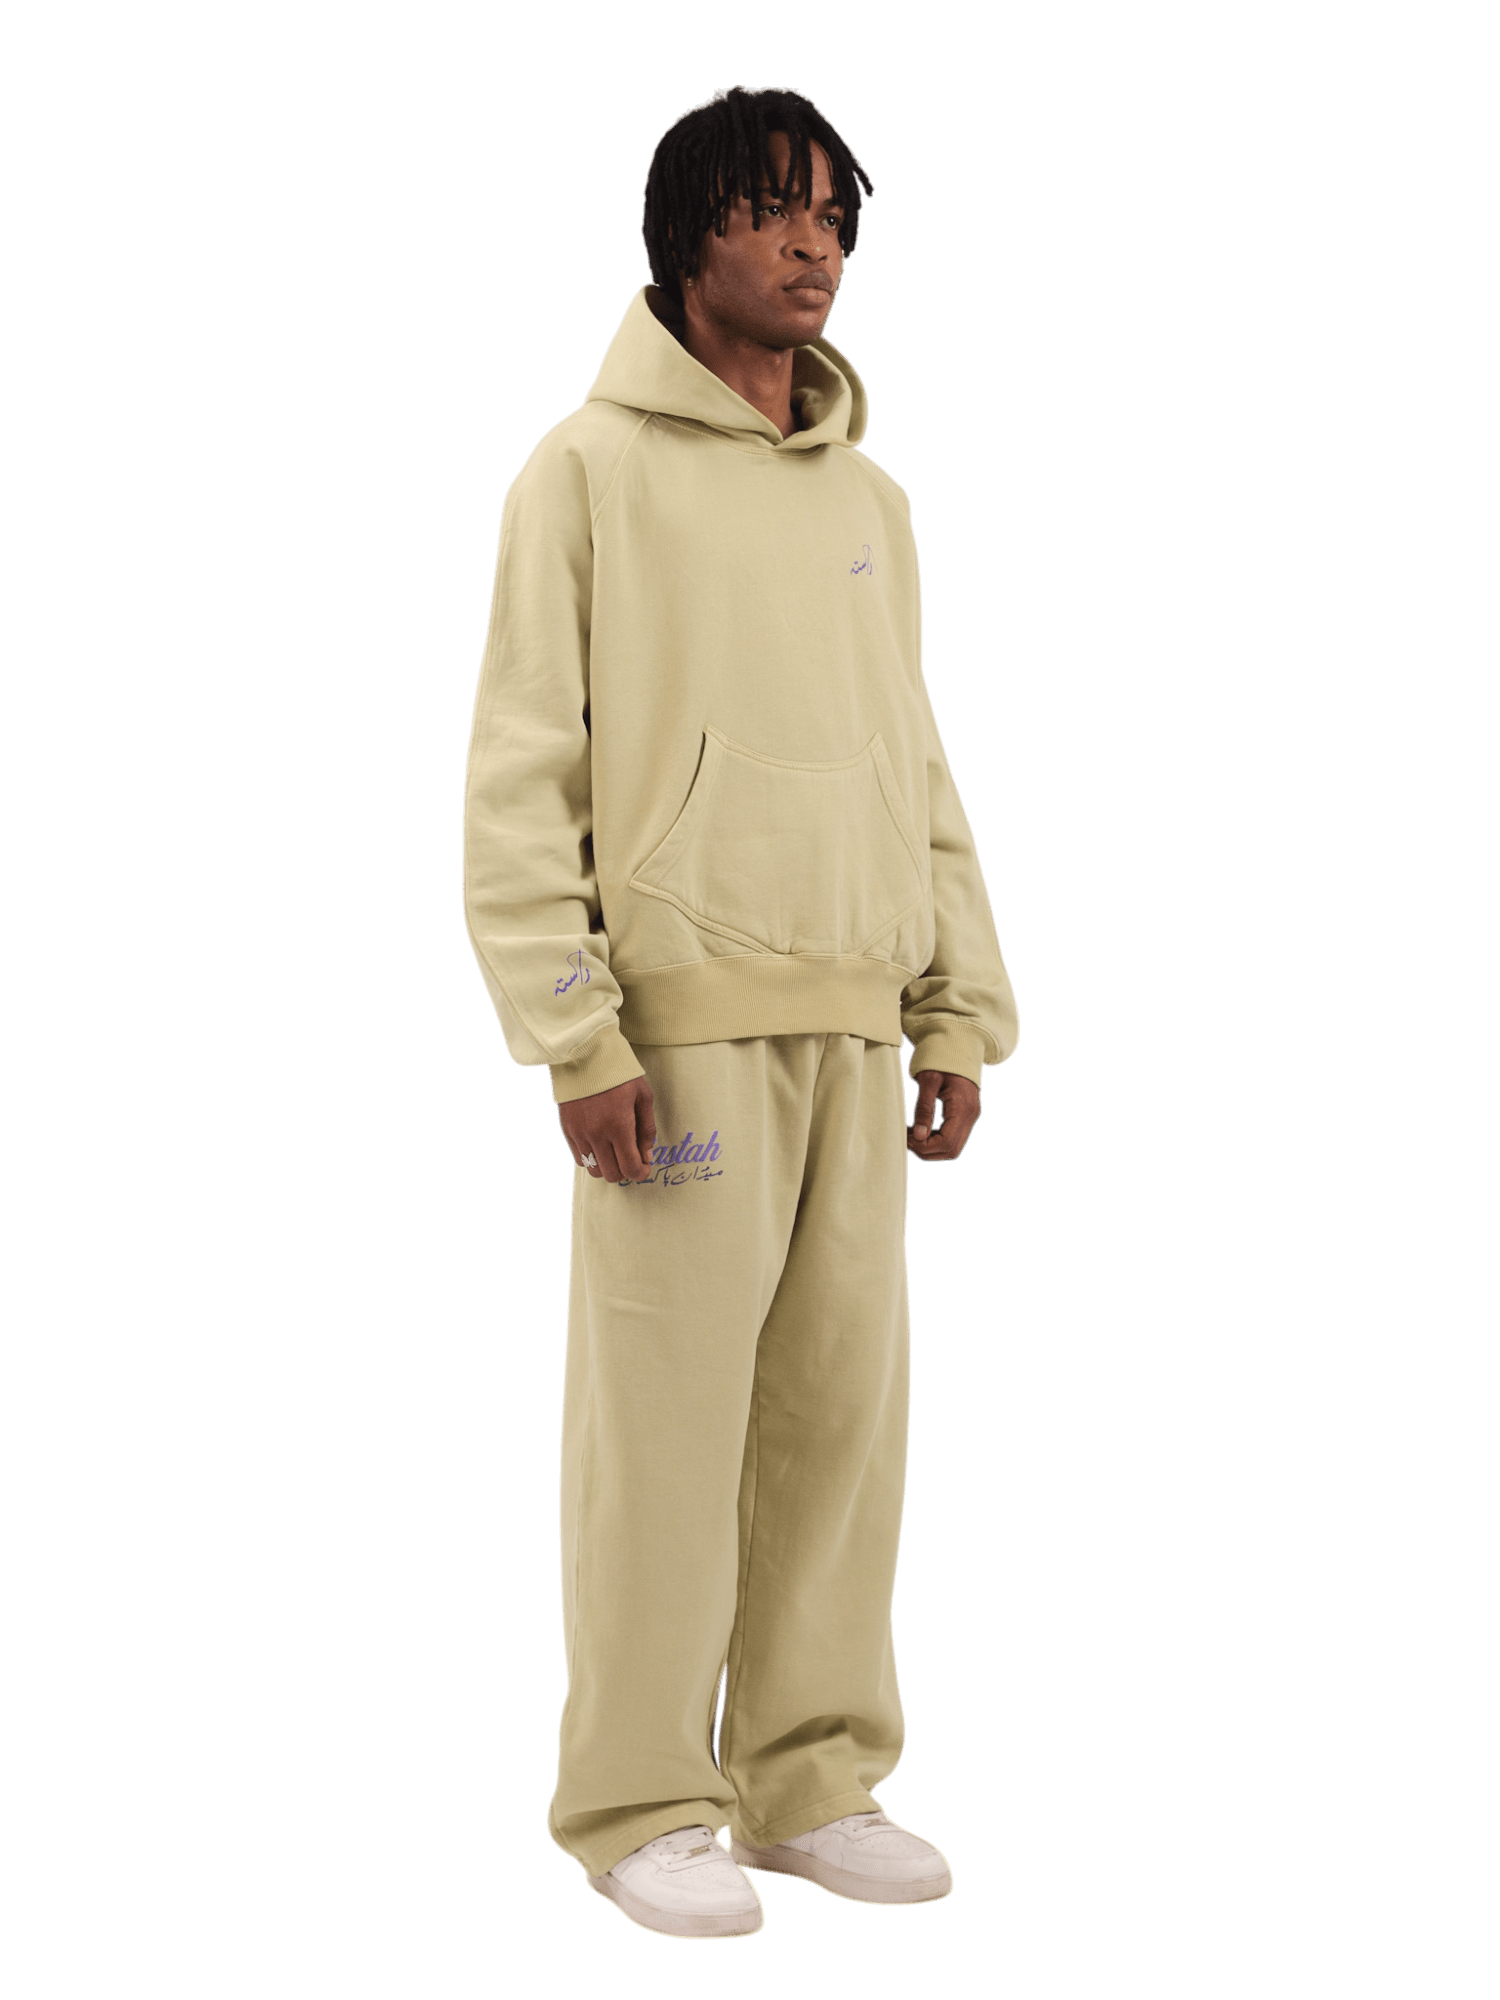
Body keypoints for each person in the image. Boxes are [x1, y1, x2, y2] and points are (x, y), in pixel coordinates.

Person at [461, 83, 1020, 1941]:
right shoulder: (582, 474)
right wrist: (575, 1029)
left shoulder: (875, 501)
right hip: (676, 1036)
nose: (812, 244)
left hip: (857, 1020)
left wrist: (957, 1006)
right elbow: (521, 772)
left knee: (839, 1427)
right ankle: (639, 1802)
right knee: (666, 1433)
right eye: (771, 209)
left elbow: (914, 765)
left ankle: (807, 1780)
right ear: (683, 231)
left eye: (834, 217)